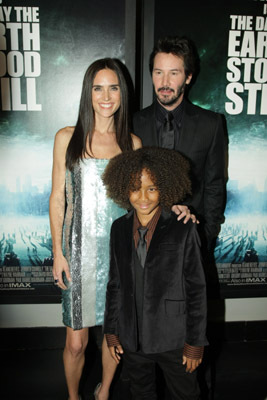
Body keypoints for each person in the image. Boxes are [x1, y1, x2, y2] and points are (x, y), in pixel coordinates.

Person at [49, 58, 141, 400]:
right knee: (76, 343)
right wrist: (58, 252)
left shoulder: (133, 144)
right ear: (88, 93)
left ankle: (103, 393)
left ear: (122, 94)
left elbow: (140, 204)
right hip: (77, 255)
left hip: (119, 256)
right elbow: (58, 198)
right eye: (98, 87)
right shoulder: (67, 137)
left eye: (113, 87)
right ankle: (74, 396)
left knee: (112, 336)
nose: (106, 96)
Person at [102, 147, 208, 400]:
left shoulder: (182, 228)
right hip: (132, 338)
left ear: (165, 187)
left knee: (186, 394)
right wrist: (112, 330)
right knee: (140, 392)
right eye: (135, 188)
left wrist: (195, 343)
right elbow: (114, 284)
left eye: (152, 188)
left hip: (174, 337)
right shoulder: (118, 228)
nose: (143, 197)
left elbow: (196, 288)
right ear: (123, 189)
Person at [133, 36, 226, 271]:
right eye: (158, 72)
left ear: (188, 76)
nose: (164, 81)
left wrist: (205, 236)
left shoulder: (211, 125)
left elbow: (214, 184)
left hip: (192, 243)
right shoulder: (132, 124)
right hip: (142, 242)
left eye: (174, 73)